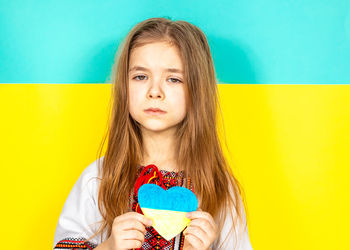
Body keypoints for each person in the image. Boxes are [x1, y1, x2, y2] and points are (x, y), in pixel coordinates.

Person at [53, 17, 253, 250]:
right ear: (124, 86)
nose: (155, 91)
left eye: (174, 79)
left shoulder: (218, 188)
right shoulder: (99, 178)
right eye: (140, 76)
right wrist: (108, 247)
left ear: (198, 90)